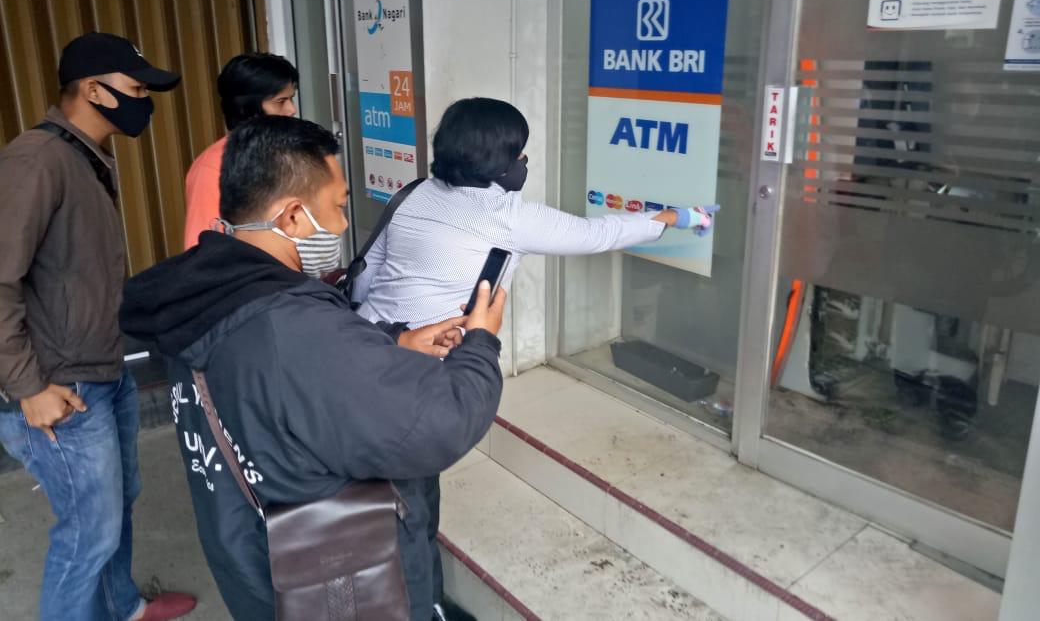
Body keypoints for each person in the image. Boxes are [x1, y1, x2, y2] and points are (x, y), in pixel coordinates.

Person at [120, 115, 506, 621]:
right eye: (340, 206)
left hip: (252, 561)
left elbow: (279, 382)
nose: (345, 224)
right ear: (293, 217)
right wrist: (480, 344)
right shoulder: (293, 330)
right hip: (338, 585)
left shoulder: (200, 294)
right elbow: (438, 423)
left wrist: (392, 342)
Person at [352, 97, 717, 620]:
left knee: (399, 496)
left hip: (369, 350)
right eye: (520, 154)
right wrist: (674, 217)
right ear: (499, 162)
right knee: (405, 506)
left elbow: (370, 273)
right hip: (419, 375)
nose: (525, 163)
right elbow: (599, 234)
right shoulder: (506, 216)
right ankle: (417, 606)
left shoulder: (414, 193)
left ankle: (421, 595)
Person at [0, 32, 197, 621]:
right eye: (134, 88)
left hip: (101, 371)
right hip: (58, 387)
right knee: (87, 535)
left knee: (116, 509)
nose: (143, 101)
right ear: (93, 90)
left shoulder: (82, 157)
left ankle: (124, 608)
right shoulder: (37, 161)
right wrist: (27, 387)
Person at [183, 53, 304, 251]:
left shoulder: (289, 155)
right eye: (281, 101)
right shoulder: (213, 167)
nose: (292, 109)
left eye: (291, 98)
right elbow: (203, 252)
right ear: (247, 108)